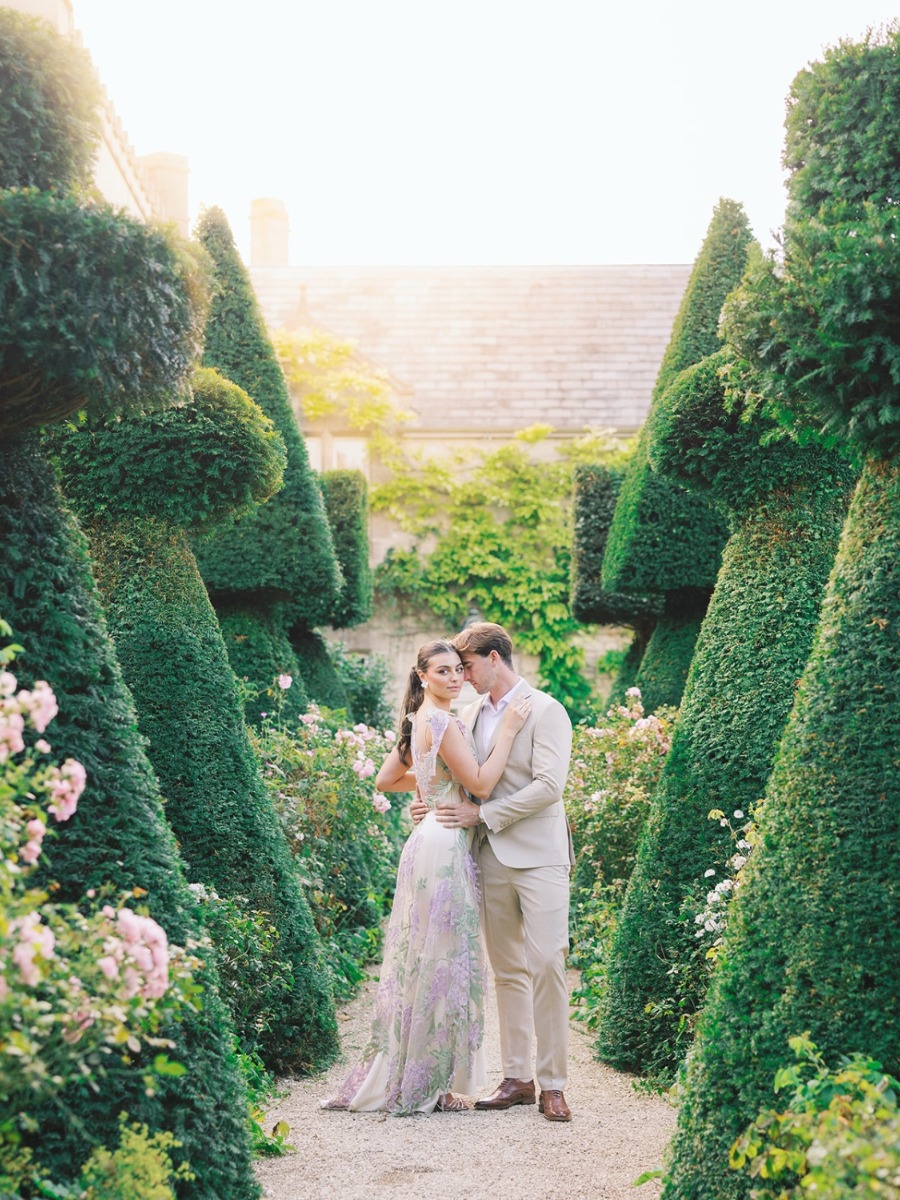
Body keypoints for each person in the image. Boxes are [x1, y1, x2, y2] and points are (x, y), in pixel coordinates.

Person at [322, 638, 530, 1115]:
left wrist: (429, 790)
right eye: (443, 671)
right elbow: (480, 783)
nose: (455, 678)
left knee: (430, 955)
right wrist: (510, 732)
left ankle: (424, 1075)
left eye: (459, 669)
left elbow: (387, 779)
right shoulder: (443, 721)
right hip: (442, 841)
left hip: (430, 837)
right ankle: (427, 1083)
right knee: (441, 957)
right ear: (422, 677)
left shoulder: (417, 721)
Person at [413, 622, 574, 1122]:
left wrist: (482, 814)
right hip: (488, 856)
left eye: (468, 665)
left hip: (541, 855)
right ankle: (519, 1078)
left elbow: (549, 785)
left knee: (548, 961)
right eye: (455, 668)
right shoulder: (471, 713)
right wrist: (425, 805)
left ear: (494, 659)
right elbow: (455, 777)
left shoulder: (547, 710)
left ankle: (553, 1084)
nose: (463, 675)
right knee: (506, 971)